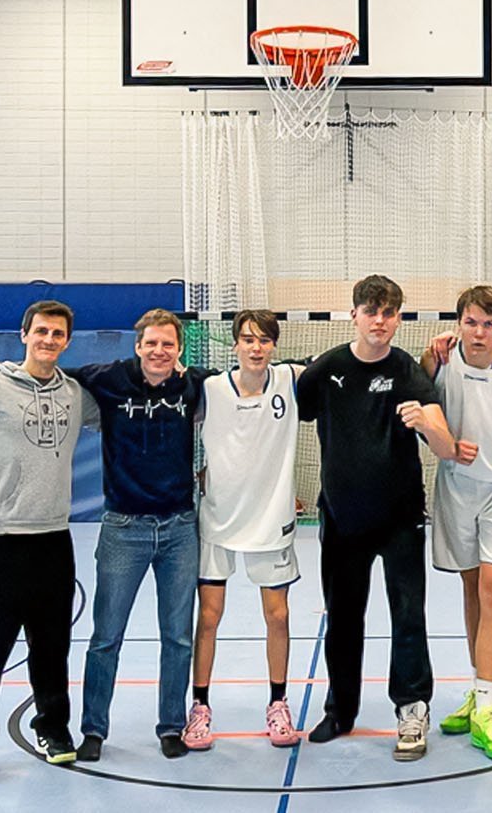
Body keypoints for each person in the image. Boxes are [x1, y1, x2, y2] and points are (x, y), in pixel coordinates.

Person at [295, 274, 460, 761]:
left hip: (400, 517)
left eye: (389, 313)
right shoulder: (326, 370)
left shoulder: (408, 370)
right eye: (372, 312)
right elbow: (287, 413)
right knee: (344, 618)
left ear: (398, 318)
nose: (380, 321)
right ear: (355, 315)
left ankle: (412, 708)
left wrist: (428, 424)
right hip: (343, 519)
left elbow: (443, 441)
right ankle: (340, 709)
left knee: (408, 615)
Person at [0, 301, 98, 783]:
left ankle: (53, 729)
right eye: (41, 332)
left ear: (68, 341)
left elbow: (123, 397)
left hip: (54, 539)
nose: (48, 340)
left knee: (52, 648)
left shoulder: (77, 395)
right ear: (24, 334)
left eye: (58, 334)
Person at [72, 310, 217, 760]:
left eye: (168, 345)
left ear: (179, 350)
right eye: (151, 344)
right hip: (123, 529)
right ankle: (94, 730)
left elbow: (250, 380)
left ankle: (171, 726)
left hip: (179, 528)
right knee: (106, 636)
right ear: (138, 347)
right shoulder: (108, 378)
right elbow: (45, 374)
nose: (159, 352)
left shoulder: (193, 384)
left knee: (176, 636)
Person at [181, 310, 306, 751]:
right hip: (217, 521)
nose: (257, 347)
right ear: (235, 344)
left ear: (274, 345)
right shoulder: (209, 389)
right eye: (249, 339)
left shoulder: (292, 380)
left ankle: (278, 703)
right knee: (209, 617)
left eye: (265, 340)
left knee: (279, 617)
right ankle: (200, 707)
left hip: (271, 522)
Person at [420, 286, 492, 762]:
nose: (480, 331)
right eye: (471, 322)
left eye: (489, 323)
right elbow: (422, 409)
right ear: (458, 323)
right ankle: (477, 686)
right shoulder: (441, 362)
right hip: (456, 487)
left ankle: (488, 706)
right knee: (472, 591)